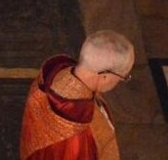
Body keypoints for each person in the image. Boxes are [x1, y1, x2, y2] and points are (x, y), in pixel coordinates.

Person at [20, 30, 134, 159]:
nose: (120, 81)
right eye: (123, 77)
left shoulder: (53, 76)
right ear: (105, 76)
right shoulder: (79, 134)